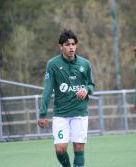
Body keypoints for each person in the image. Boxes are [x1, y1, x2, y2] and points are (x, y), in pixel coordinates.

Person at [38, 29, 95, 167]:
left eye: (73, 44)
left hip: (80, 112)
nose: (71, 47)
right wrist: (42, 113)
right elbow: (47, 89)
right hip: (61, 114)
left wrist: (86, 89)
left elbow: (91, 85)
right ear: (61, 46)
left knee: (79, 148)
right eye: (67, 44)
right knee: (60, 149)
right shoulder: (53, 64)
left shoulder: (85, 64)